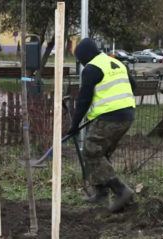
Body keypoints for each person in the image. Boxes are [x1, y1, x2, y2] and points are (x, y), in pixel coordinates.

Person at [68, 38, 137, 213]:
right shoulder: (116, 63)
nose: (81, 63)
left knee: (91, 151)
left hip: (110, 117)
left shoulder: (92, 69)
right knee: (101, 154)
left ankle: (122, 191)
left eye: (81, 58)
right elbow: (133, 86)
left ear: (86, 55)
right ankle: (100, 194)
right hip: (127, 115)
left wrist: (74, 125)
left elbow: (84, 100)